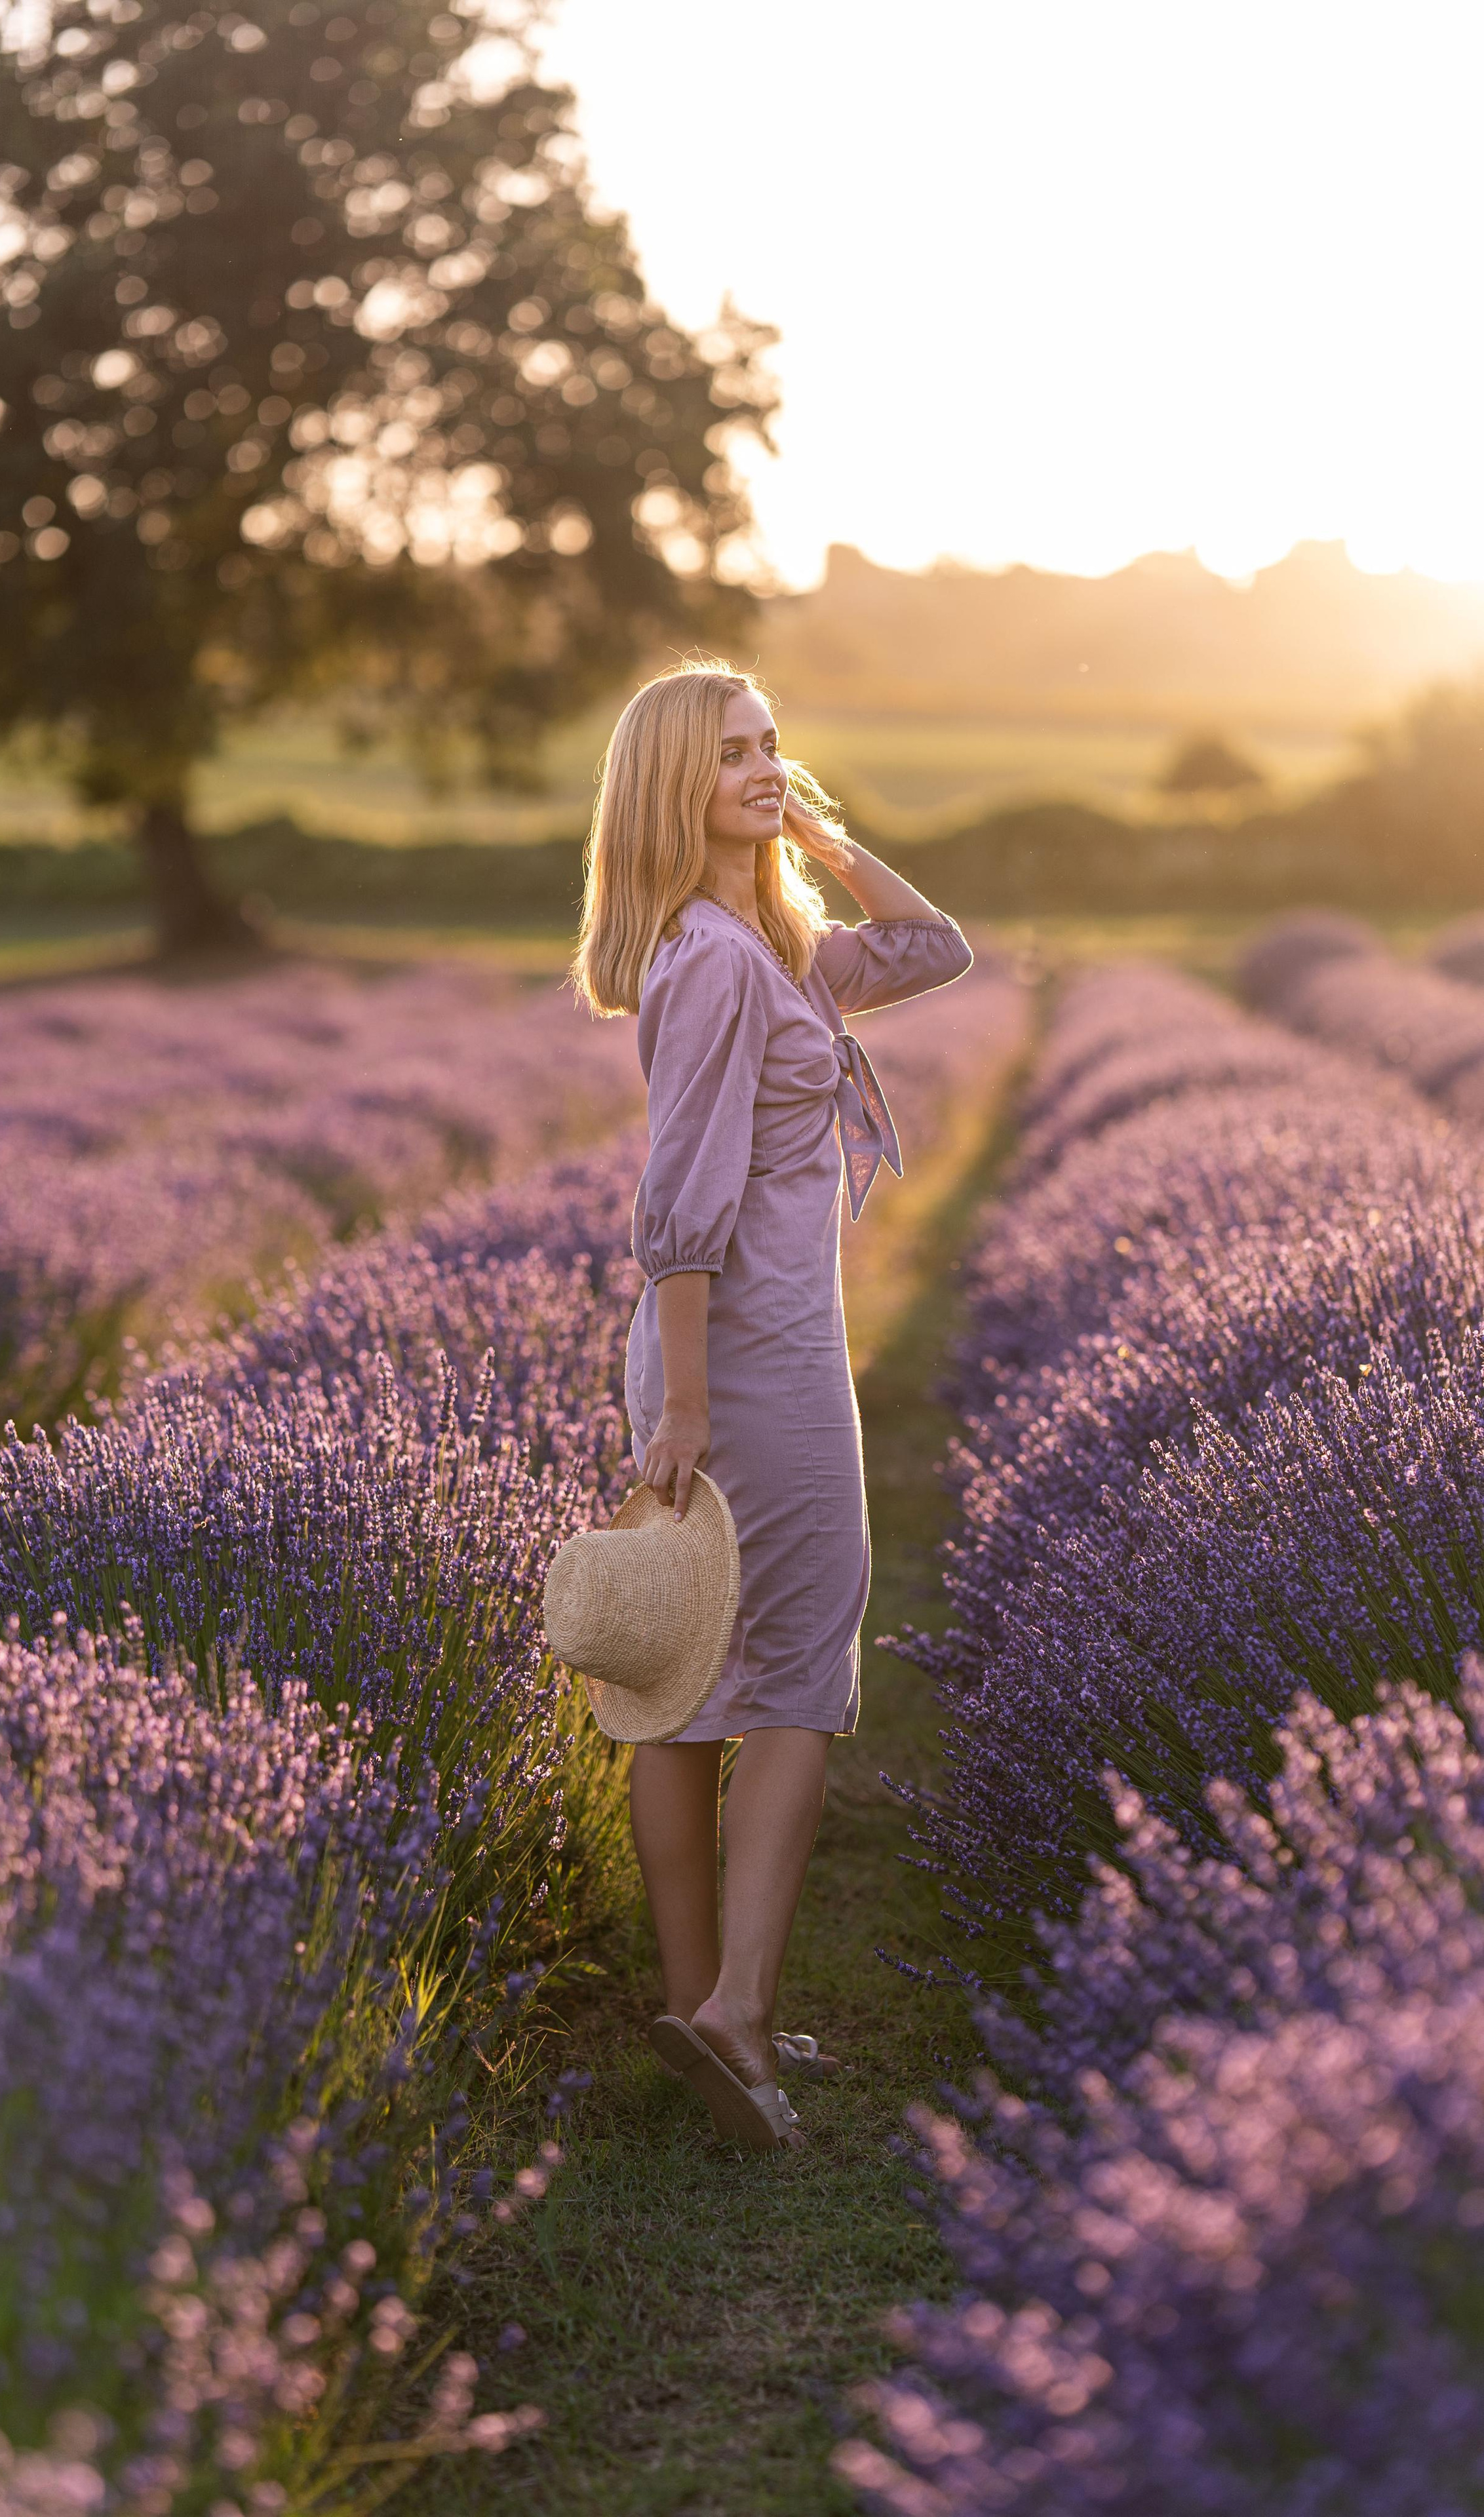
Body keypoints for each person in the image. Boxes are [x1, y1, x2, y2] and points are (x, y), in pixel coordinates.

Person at [572, 660, 972, 2151]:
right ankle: (736, 2012)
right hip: (745, 1362)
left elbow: (933, 949)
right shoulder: (718, 966)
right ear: (671, 787)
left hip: (747, 1351)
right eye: (729, 755)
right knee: (794, 1671)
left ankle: (705, 2012)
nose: (758, 767)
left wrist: (816, 837)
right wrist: (682, 1405)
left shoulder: (777, 947)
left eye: (770, 746)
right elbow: (680, 1201)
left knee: (689, 1680)